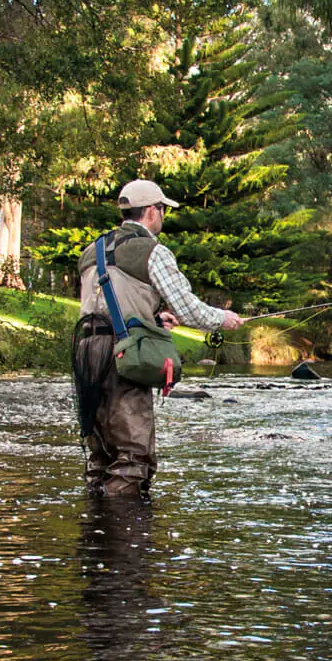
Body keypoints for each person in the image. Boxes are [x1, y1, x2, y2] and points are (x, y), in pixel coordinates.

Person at [73, 179, 248, 497]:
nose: (163, 216)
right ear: (152, 211)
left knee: (100, 456)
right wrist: (222, 319)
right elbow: (189, 309)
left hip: (86, 351)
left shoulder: (91, 250)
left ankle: (95, 535)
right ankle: (130, 538)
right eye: (163, 210)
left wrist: (153, 319)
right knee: (133, 459)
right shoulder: (153, 252)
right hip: (124, 355)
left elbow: (105, 302)